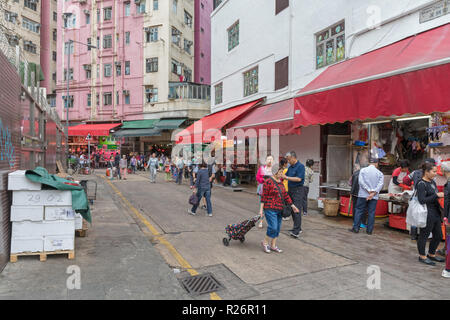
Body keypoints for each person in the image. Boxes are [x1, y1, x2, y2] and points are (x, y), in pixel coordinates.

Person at [260, 166, 300, 253]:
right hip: (270, 208)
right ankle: (265, 242)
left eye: (282, 172)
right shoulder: (268, 182)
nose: (282, 174)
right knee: (273, 227)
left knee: (277, 228)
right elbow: (263, 197)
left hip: (280, 209)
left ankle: (273, 245)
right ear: (275, 172)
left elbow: (285, 195)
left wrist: (292, 205)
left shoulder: (281, 183)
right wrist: (261, 210)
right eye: (280, 172)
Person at [416, 162, 445, 266]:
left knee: (438, 235)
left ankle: (431, 254)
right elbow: (422, 200)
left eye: (436, 171)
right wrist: (436, 195)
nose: (435, 173)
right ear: (426, 172)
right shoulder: (421, 184)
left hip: (436, 212)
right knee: (424, 234)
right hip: (427, 212)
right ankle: (422, 256)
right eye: (433, 171)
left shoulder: (432, 182)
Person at [403, 158, 437, 240]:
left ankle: (413, 235)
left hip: (415, 195)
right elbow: (433, 187)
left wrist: (411, 184)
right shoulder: (431, 174)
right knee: (424, 215)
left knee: (415, 215)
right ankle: (424, 235)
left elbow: (405, 179)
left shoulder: (415, 172)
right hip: (426, 196)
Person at [350, 158, 384, 235]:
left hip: (362, 195)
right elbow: (380, 185)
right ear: (376, 164)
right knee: (371, 213)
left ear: (369, 163)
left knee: (359, 210)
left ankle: (356, 228)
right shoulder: (380, 173)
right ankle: (369, 230)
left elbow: (361, 182)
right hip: (374, 196)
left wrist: (368, 190)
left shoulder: (363, 171)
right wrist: (373, 193)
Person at [282, 151, 305, 238]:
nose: (288, 161)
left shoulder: (300, 166)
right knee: (292, 209)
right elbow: (285, 176)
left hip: (298, 190)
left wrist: (286, 177)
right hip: (290, 190)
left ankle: (297, 230)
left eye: (288, 159)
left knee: (297, 209)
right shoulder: (290, 167)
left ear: (293, 157)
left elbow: (299, 179)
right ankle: (297, 227)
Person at [256, 155, 274, 228]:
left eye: (271, 159)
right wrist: (264, 180)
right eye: (268, 159)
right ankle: (261, 221)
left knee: (271, 206)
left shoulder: (275, 169)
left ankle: (271, 223)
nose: (269, 161)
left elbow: (280, 178)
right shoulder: (262, 168)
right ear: (265, 160)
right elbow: (258, 177)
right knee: (262, 206)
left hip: (272, 190)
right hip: (263, 189)